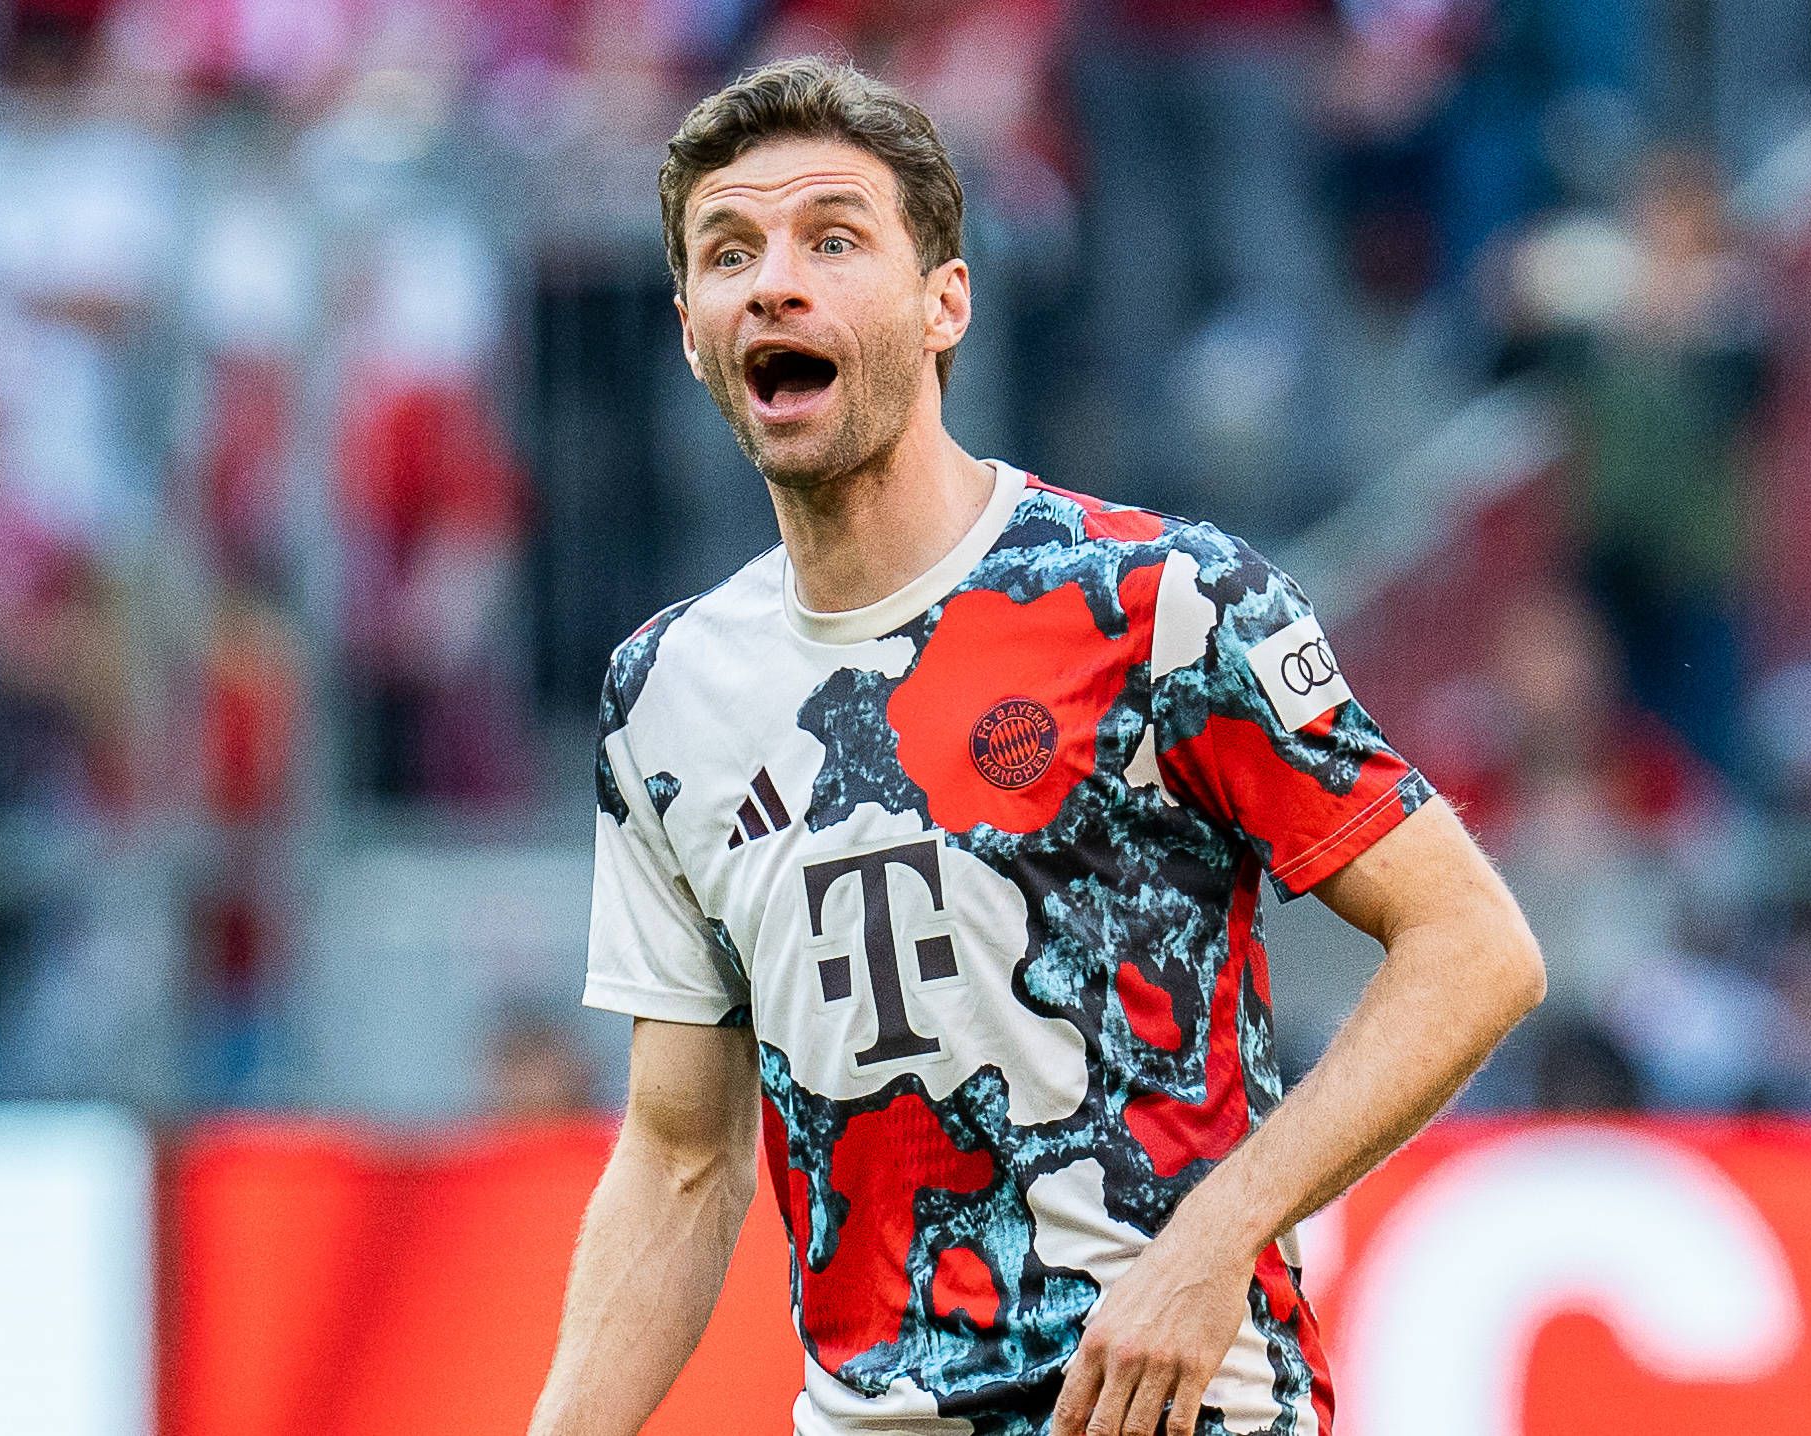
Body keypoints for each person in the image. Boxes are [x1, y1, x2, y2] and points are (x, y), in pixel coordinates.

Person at [531, 57, 1545, 1436]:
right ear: (691, 330)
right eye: (730, 253)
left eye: (833, 239)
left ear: (944, 302)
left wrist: (1214, 1238)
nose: (774, 284)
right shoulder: (663, 697)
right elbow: (678, 1156)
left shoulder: (1155, 602)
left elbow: (1473, 945)